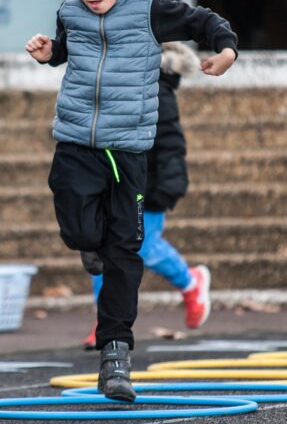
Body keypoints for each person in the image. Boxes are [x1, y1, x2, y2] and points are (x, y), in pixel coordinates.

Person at [26, 0, 237, 402]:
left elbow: (203, 20)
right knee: (79, 229)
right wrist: (49, 52)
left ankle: (115, 357)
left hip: (129, 150)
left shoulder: (149, 10)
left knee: (126, 254)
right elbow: (73, 50)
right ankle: (88, 243)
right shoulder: (70, 11)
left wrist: (226, 50)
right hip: (78, 141)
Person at [82, 42, 210, 350]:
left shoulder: (158, 95)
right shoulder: (114, 87)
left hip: (147, 188)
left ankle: (191, 282)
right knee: (102, 251)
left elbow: (170, 144)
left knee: (144, 245)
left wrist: (167, 186)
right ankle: (106, 318)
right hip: (113, 182)